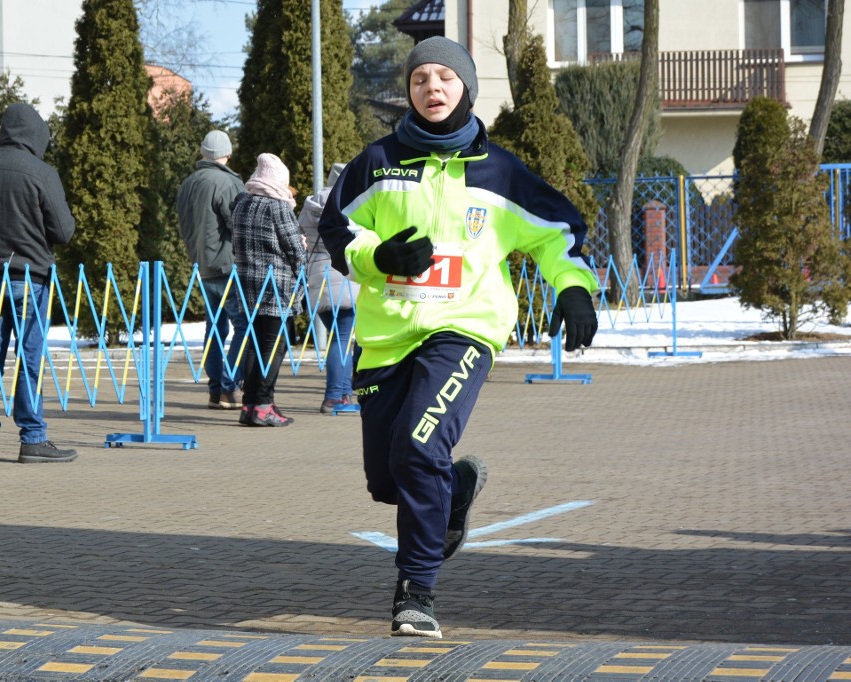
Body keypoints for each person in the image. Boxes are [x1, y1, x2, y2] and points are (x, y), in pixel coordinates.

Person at [319, 36, 599, 638]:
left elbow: (559, 232)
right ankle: (457, 487)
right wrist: (379, 255)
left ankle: (414, 592)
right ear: (410, 90)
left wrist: (572, 288)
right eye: (421, 78)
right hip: (387, 338)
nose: (433, 88)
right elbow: (337, 229)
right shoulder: (378, 161)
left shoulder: (498, 171)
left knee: (418, 449)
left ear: (466, 87)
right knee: (387, 479)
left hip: (463, 330)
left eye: (446, 77)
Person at [0, 103, 77, 463]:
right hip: (29, 277)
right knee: (30, 358)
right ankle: (32, 438)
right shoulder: (42, 173)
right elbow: (63, 230)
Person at [231, 153, 307, 427]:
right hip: (276, 285)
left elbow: (236, 245)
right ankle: (264, 404)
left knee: (254, 345)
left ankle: (249, 404)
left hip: (247, 283)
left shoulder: (242, 204)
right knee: (274, 346)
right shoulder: (278, 207)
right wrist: (303, 270)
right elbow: (294, 248)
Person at [177, 130, 248, 411]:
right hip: (227, 264)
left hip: (201, 266)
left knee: (214, 328)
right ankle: (229, 385)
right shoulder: (227, 182)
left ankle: (216, 389)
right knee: (244, 326)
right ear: (227, 153)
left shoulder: (188, 183)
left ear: (204, 153)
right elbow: (239, 225)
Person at [299, 163, 360, 414]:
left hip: (318, 280)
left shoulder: (311, 205)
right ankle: (335, 396)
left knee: (340, 337)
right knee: (343, 338)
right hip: (344, 277)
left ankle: (344, 395)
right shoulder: (351, 204)